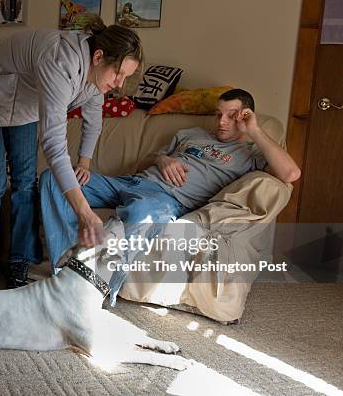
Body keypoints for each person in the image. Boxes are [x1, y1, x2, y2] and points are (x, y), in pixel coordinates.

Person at [40, 88, 301, 293]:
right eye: (218, 114)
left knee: (143, 211)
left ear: (246, 116)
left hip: (165, 199)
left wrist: (253, 130)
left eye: (231, 116)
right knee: (53, 178)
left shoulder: (250, 154)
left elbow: (291, 174)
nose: (221, 122)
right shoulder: (192, 133)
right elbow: (147, 160)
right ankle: (62, 273)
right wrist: (161, 159)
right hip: (130, 182)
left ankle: (103, 288)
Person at [0, 16, 142, 288]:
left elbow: (94, 121)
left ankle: (19, 259)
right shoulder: (60, 61)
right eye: (118, 73)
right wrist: (84, 213)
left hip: (23, 100)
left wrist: (85, 162)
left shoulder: (95, 77)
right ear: (99, 57)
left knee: (25, 180)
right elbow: (54, 145)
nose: (119, 84)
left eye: (125, 76)